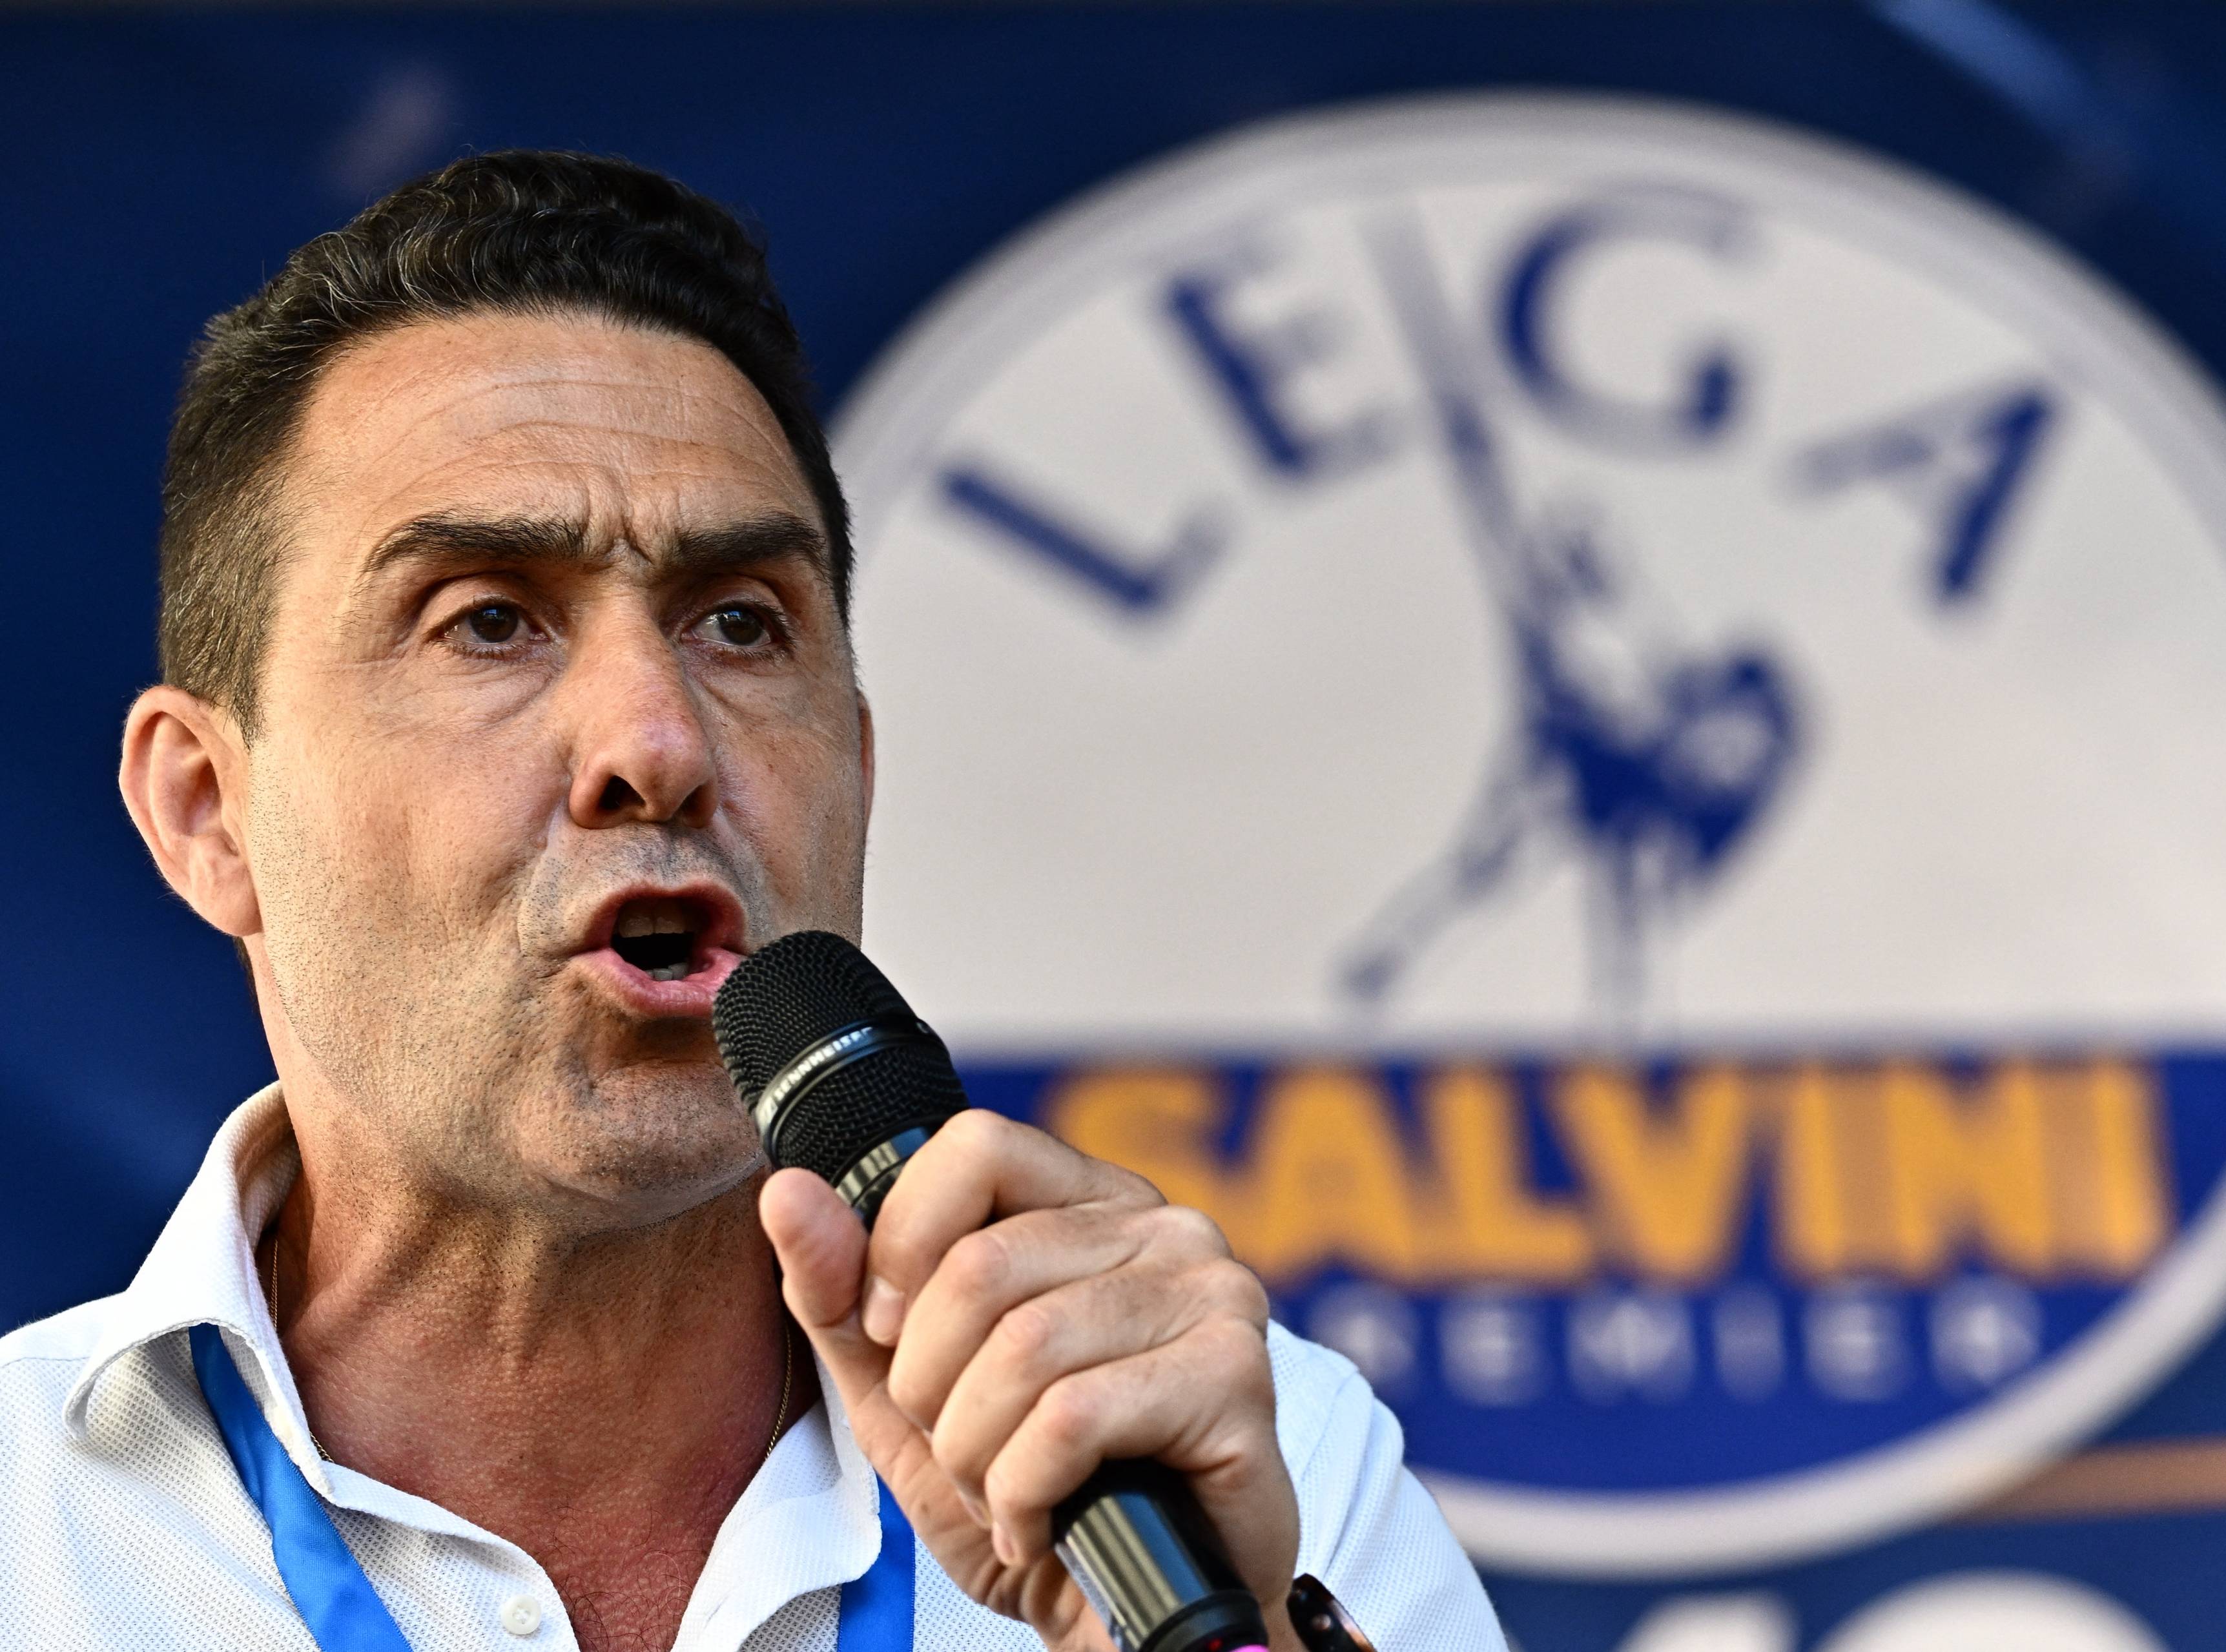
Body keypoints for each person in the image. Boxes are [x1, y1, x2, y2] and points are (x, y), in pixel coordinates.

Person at [0, 152, 1504, 1652]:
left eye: (739, 623)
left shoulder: (1241, 1474)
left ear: (853, 767)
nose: (656, 744)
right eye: (489, 621)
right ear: (209, 811)